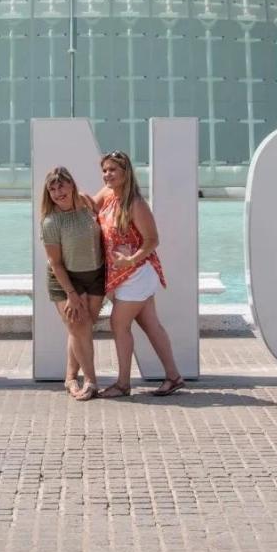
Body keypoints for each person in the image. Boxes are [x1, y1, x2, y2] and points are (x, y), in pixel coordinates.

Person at [95, 151, 185, 398]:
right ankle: (174, 376)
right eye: (105, 170)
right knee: (151, 325)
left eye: (113, 170)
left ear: (126, 172)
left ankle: (123, 384)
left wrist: (130, 260)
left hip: (137, 273)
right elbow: (88, 208)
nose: (107, 174)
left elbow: (153, 240)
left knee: (118, 323)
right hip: (124, 275)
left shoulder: (135, 203)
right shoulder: (107, 194)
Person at [39, 166, 105, 401]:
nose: (58, 192)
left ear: (71, 185)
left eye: (61, 186)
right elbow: (55, 263)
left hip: (96, 275)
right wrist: (72, 294)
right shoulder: (51, 222)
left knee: (80, 329)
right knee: (80, 327)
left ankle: (69, 377)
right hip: (65, 279)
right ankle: (91, 381)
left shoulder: (88, 202)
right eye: (52, 189)